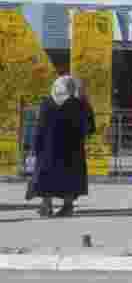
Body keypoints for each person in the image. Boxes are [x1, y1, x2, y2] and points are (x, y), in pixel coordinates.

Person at [26, 76, 90, 218]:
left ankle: (46, 206)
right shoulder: (78, 104)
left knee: (46, 176)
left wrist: (35, 147)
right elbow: (88, 127)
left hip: (49, 149)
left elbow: (40, 127)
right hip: (72, 150)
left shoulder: (47, 103)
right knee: (69, 177)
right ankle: (67, 207)